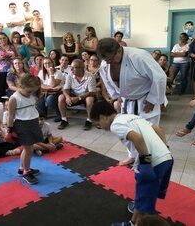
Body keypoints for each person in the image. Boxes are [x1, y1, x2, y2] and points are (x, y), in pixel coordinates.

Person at [90, 101, 173, 226]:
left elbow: (137, 138)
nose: (100, 127)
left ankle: (133, 223)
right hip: (167, 158)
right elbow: (157, 128)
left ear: (102, 117)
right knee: (150, 190)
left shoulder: (115, 125)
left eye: (98, 124)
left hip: (154, 162)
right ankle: (141, 207)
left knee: (143, 192)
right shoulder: (129, 116)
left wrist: (146, 163)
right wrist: (165, 148)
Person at [98, 38, 168, 166]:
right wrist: (115, 97)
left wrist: (152, 99)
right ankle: (132, 155)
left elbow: (160, 77)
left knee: (148, 134)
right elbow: (106, 80)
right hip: (125, 100)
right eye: (106, 60)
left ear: (119, 50)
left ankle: (151, 160)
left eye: (111, 59)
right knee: (125, 133)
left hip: (145, 99)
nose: (109, 63)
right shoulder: (106, 62)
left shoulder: (138, 56)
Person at [7, 74, 44, 185]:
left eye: (33, 91)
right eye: (29, 91)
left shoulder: (31, 95)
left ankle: (22, 168)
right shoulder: (14, 98)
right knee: (28, 150)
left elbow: (32, 108)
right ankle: (26, 172)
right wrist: (10, 130)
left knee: (29, 148)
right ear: (20, 86)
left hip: (33, 123)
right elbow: (11, 115)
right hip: (22, 125)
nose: (31, 94)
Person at [57, 59, 96, 130]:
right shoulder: (70, 75)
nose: (71, 69)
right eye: (71, 67)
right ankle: (64, 120)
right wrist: (68, 97)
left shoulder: (90, 76)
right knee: (61, 97)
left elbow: (92, 92)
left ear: (81, 68)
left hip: (86, 96)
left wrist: (79, 98)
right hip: (74, 95)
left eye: (74, 67)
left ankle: (89, 120)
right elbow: (65, 89)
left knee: (90, 99)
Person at [0, 32, 19, 109]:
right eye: (0, 38)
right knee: (1, 89)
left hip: (11, 69)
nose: (2, 40)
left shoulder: (12, 47)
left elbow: (19, 56)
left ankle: (12, 105)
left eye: (4, 38)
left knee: (11, 87)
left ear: (7, 38)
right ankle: (4, 107)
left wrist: (13, 56)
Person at [37, 57, 63, 122]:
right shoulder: (41, 72)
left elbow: (53, 84)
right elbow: (40, 85)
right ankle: (43, 115)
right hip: (46, 92)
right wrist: (50, 87)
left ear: (52, 63)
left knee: (49, 99)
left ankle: (59, 114)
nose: (47, 65)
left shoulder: (58, 72)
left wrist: (51, 74)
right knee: (39, 97)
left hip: (57, 93)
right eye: (45, 63)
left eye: (49, 63)